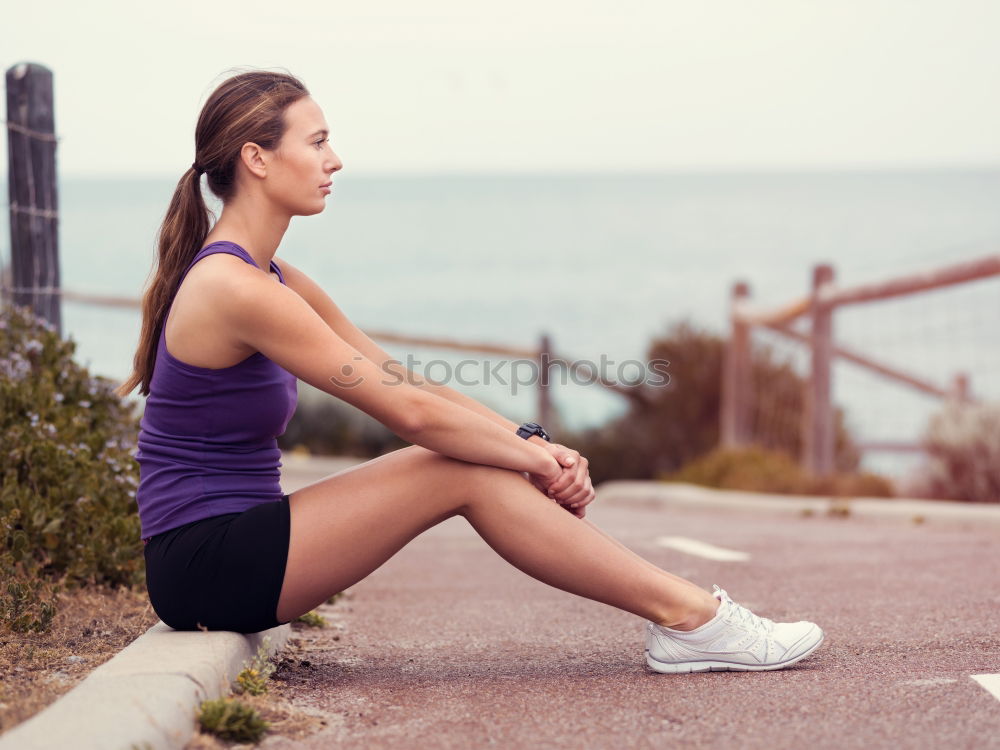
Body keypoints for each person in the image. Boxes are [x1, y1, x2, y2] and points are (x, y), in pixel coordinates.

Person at [117, 69, 824, 674]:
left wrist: (530, 440)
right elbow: (410, 416)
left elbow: (405, 379)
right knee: (454, 465)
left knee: (470, 461)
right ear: (257, 159)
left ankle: (689, 620)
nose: (335, 160)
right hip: (203, 564)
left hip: (244, 539)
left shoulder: (273, 278)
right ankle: (692, 619)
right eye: (318, 140)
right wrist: (535, 463)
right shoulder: (234, 288)